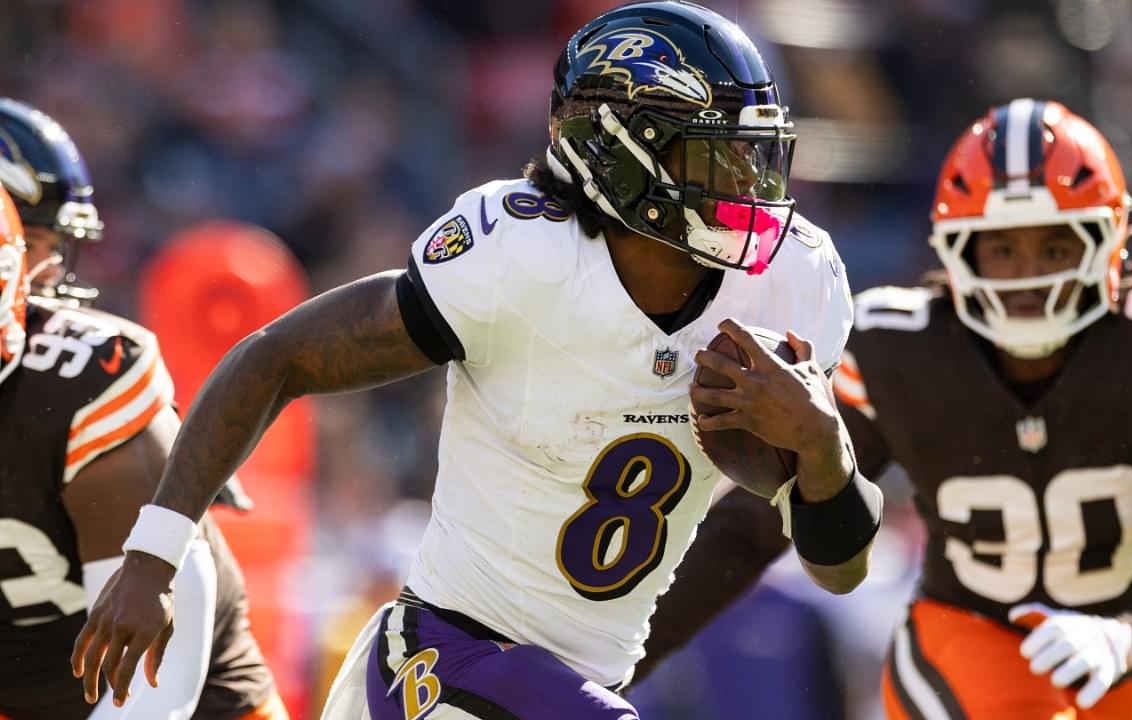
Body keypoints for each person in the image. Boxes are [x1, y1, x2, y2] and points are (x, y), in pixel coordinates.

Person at [71, 2, 882, 718]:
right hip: (435, 660)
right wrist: (153, 554)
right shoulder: (521, 259)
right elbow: (277, 355)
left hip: (578, 686)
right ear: (616, 153)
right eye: (713, 158)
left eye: (753, 155)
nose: (746, 185)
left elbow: (840, 570)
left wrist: (822, 449)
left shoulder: (793, 283)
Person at [636, 99, 1132, 719]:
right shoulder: (899, 349)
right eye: (1002, 250)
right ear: (956, 250)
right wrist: (619, 663)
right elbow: (754, 526)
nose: (1027, 278)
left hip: (1114, 660)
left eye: (1054, 249)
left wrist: (1127, 636)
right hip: (962, 647)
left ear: (1109, 241)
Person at [0, 98, 285, 720]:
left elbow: (159, 690)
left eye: (44, 242)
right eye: (37, 238)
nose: (45, 269)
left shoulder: (81, 381)